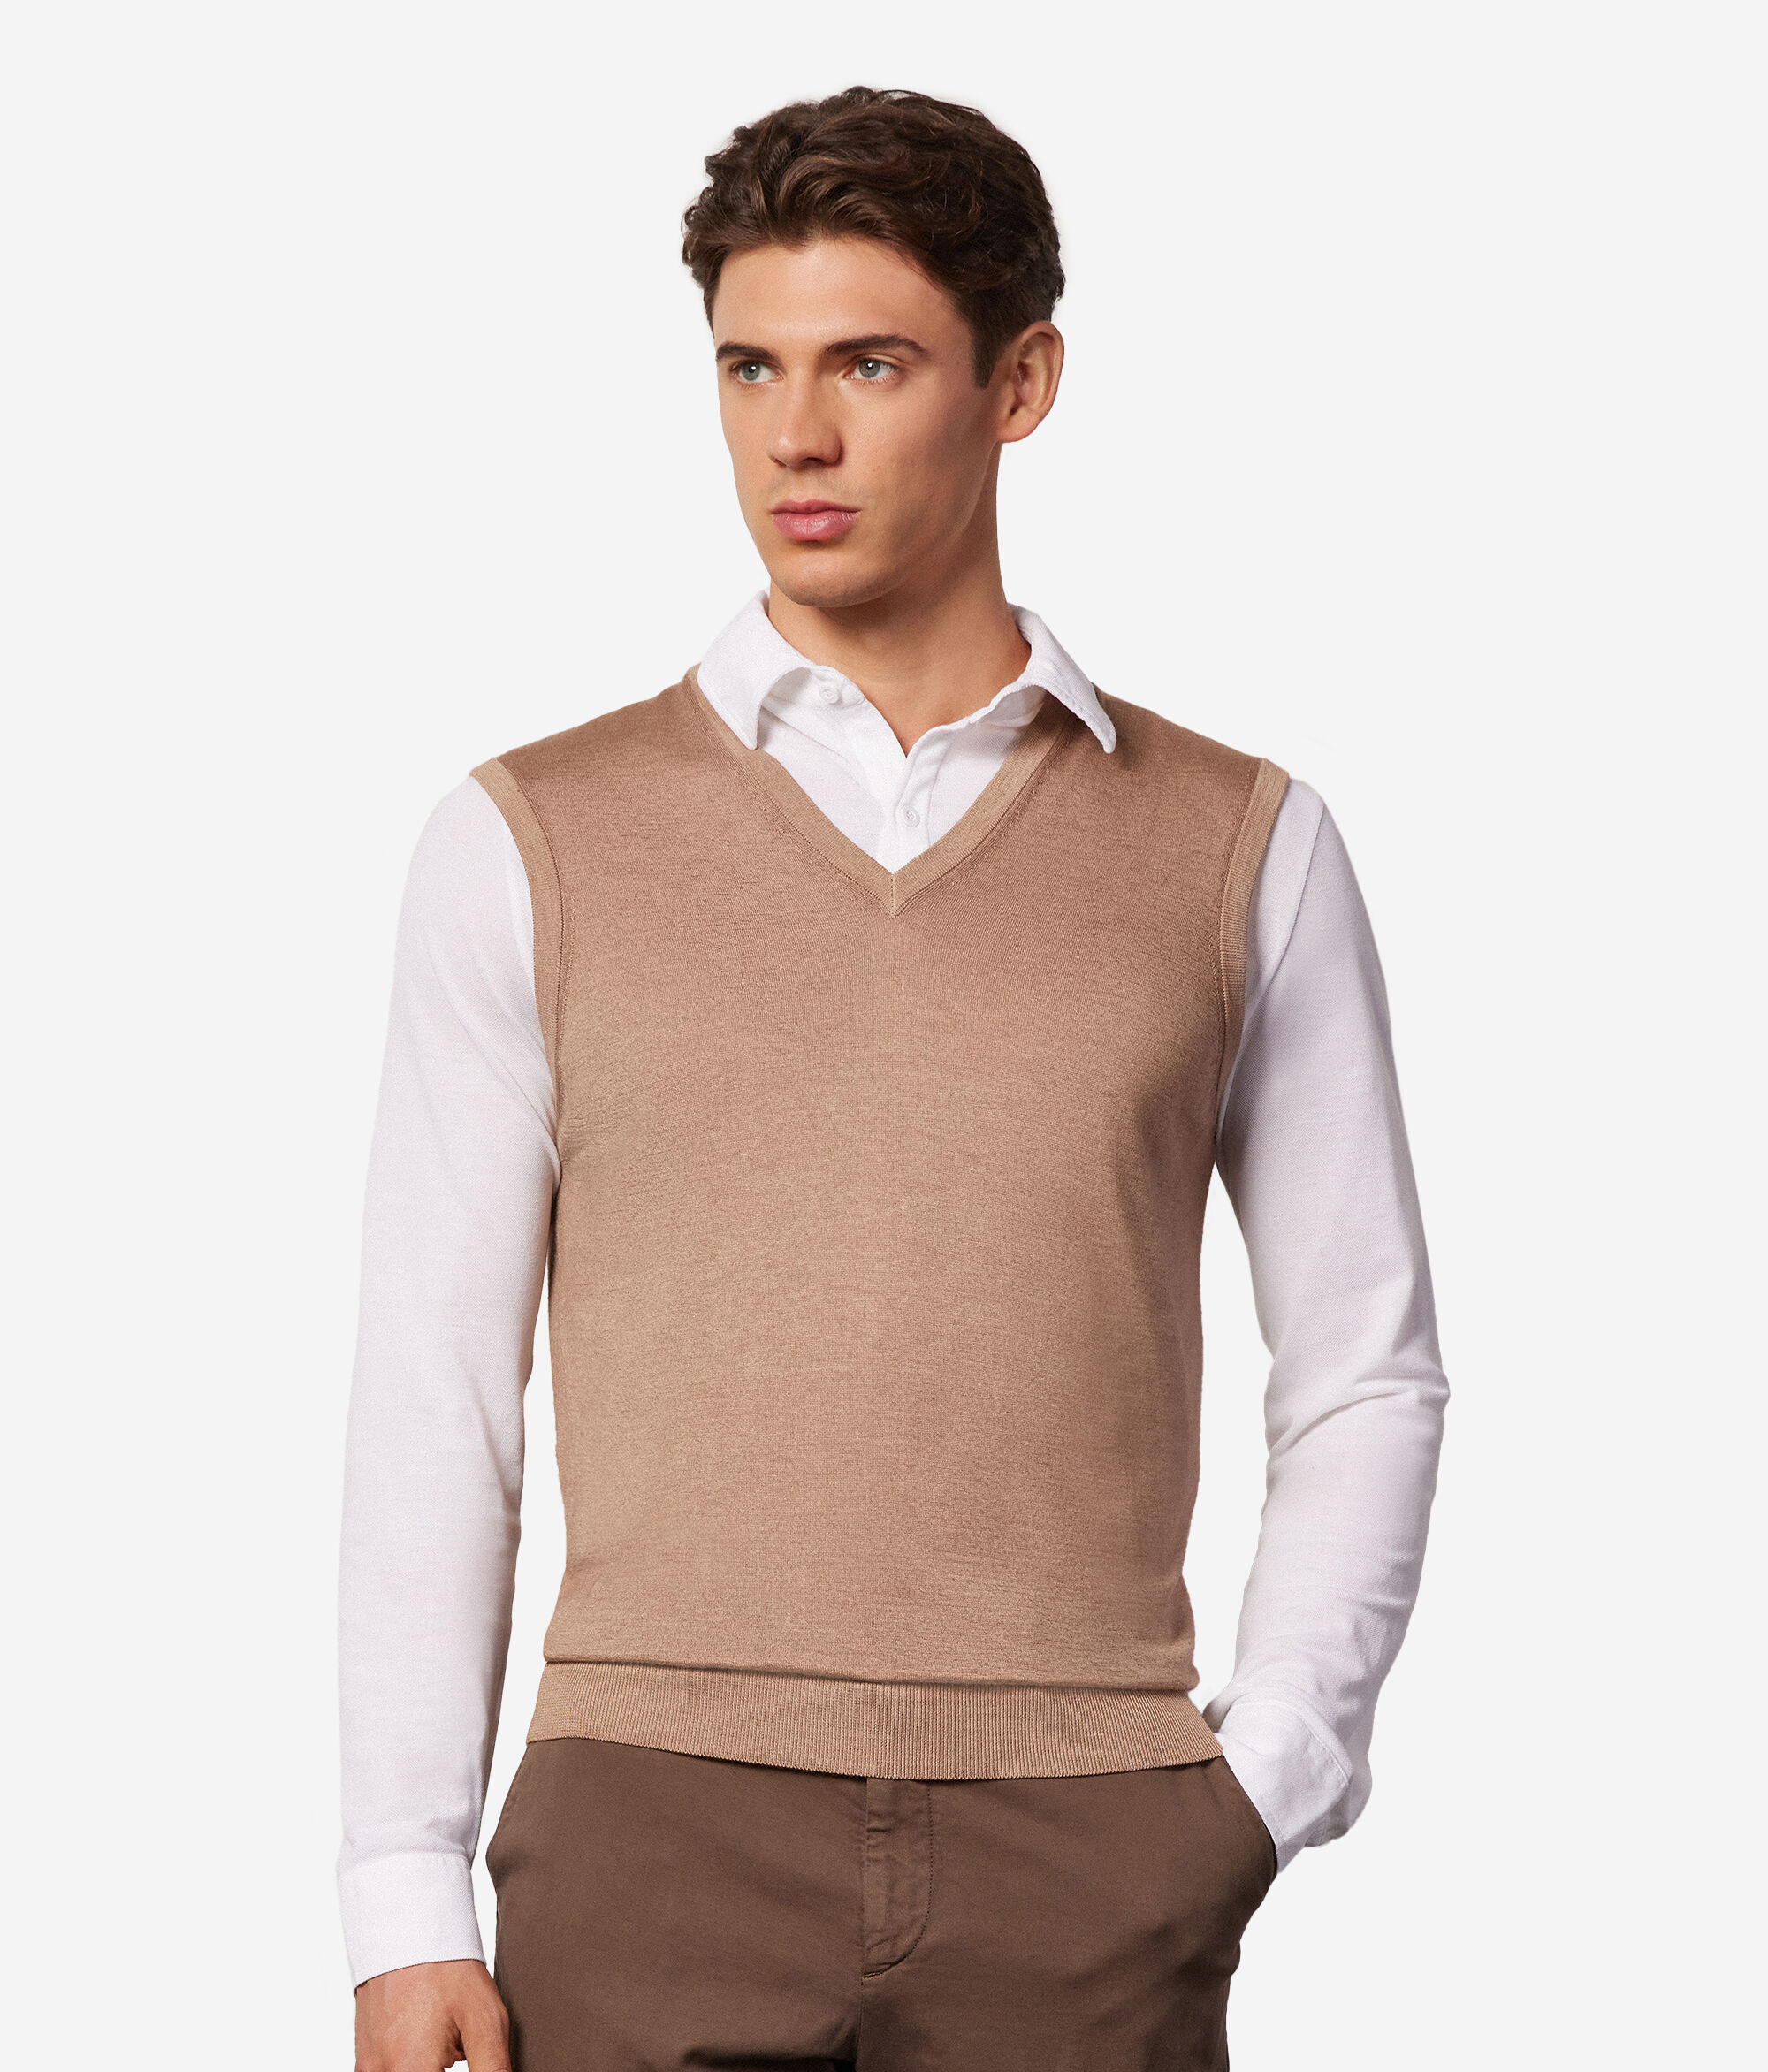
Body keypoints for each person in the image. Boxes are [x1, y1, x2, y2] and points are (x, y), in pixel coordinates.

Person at [339, 84, 1449, 2072]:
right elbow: (438, 1391)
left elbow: (1365, 1362)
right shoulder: (527, 841)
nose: (795, 435)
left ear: (1021, 383)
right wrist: (402, 1890)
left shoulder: (1239, 845)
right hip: (649, 1825)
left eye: (868, 363)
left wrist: (1263, 1779)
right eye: (748, 366)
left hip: (1091, 1843)